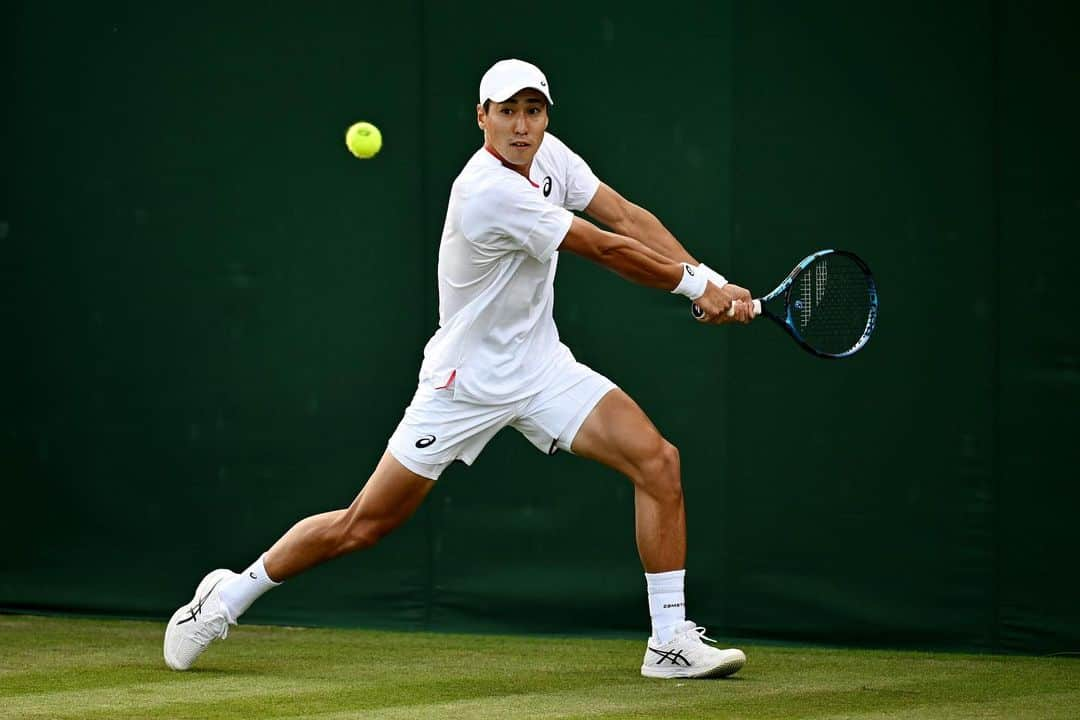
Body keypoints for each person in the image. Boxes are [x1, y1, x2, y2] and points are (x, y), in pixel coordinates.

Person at [164, 58, 755, 679]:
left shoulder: (552, 156)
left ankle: (669, 642)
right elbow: (603, 247)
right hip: (462, 384)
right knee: (364, 525)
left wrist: (714, 282)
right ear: (482, 118)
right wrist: (694, 288)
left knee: (658, 461)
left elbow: (627, 218)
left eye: (533, 111)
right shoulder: (488, 192)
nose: (522, 126)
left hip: (541, 366)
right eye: (507, 112)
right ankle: (227, 596)